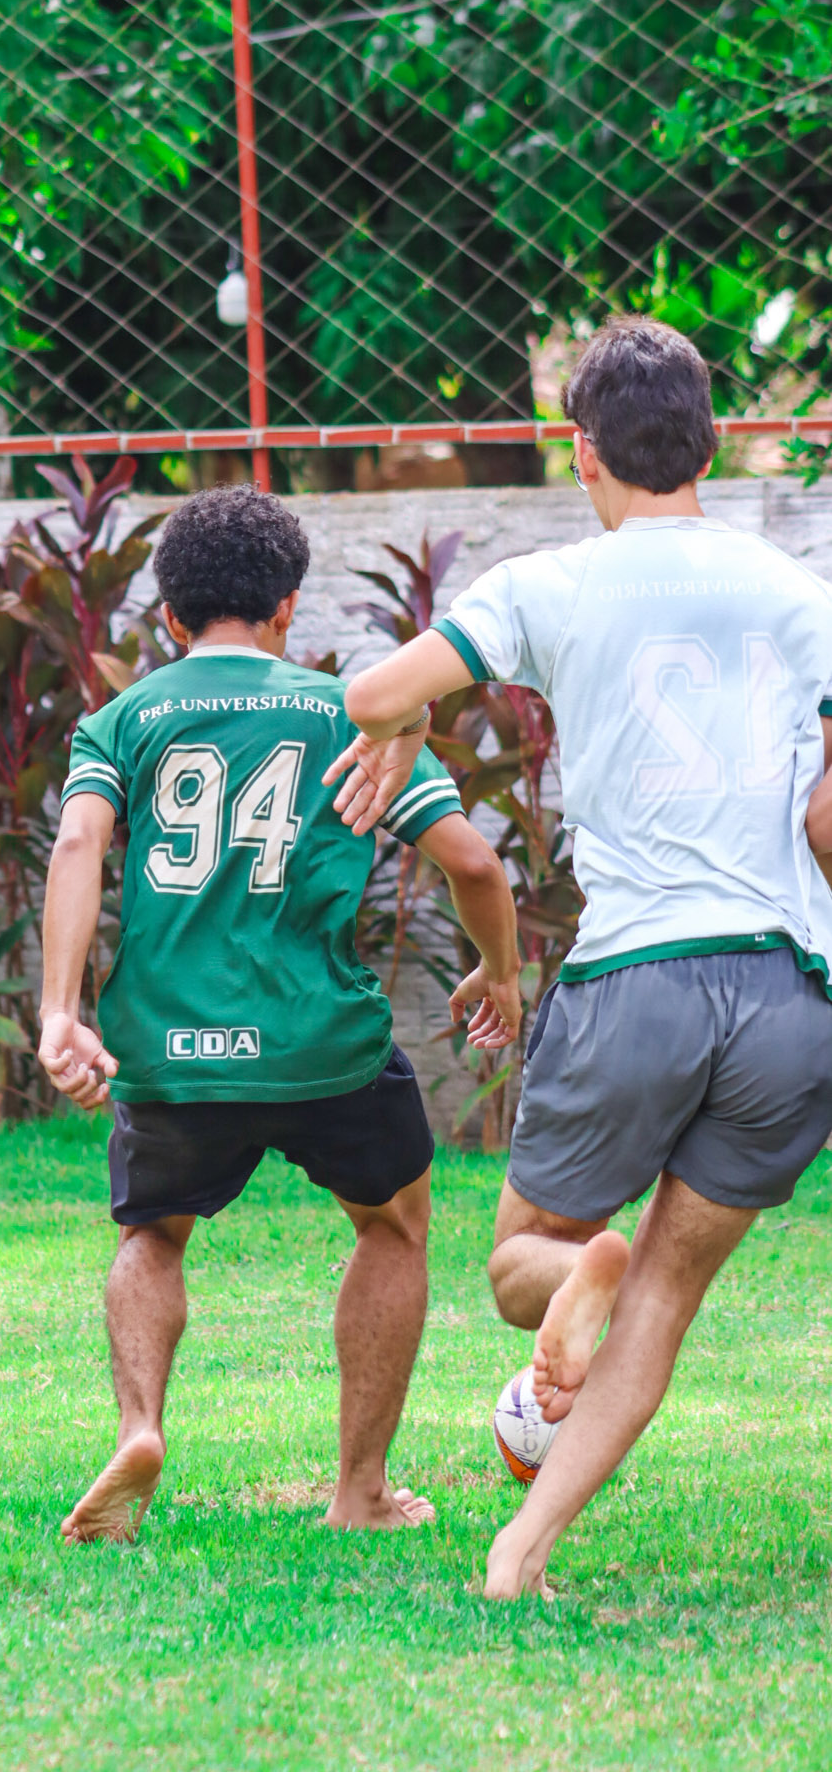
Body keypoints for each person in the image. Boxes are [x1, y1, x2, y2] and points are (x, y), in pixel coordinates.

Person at [331, 315, 832, 1599]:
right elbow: (828, 818)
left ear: (583, 450)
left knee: (521, 1266)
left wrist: (413, 718)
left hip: (635, 979)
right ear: (711, 445)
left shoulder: (546, 585)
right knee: (664, 1297)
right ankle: (521, 1550)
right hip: (787, 992)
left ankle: (577, 1265)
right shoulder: (802, 595)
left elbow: (368, 696)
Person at [38, 485, 522, 1544]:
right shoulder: (357, 715)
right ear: (288, 607)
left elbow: (78, 844)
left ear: (171, 616)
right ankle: (361, 1491)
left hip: (169, 1044)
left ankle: (140, 1426)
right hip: (322, 1045)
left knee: (151, 1232)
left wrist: (59, 1011)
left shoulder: (121, 720)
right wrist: (499, 972)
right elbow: (476, 865)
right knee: (392, 1225)